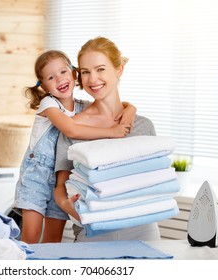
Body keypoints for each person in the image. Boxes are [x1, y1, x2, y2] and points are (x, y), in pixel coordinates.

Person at [13, 50, 137, 244]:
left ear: (73, 73)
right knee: (31, 235)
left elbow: (110, 104)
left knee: (54, 238)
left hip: (62, 177)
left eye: (63, 72)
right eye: (51, 77)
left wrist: (131, 108)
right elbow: (70, 129)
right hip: (36, 176)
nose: (59, 79)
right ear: (44, 86)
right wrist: (112, 131)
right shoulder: (48, 104)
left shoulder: (82, 106)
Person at [54, 37, 161, 242]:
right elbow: (60, 186)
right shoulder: (73, 128)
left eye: (100, 69)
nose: (93, 79)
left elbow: (152, 181)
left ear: (119, 70)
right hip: (92, 229)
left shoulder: (143, 126)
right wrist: (66, 205)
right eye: (85, 72)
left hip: (142, 229)